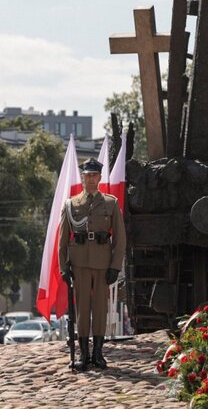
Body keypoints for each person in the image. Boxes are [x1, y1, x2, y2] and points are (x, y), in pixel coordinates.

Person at [58, 157, 126, 371]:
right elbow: (62, 240)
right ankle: (83, 354)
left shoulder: (110, 203)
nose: (91, 179)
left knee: (100, 309)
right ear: (83, 177)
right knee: (82, 309)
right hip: (79, 263)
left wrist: (115, 266)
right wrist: (63, 267)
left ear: (99, 177)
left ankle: (98, 353)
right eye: (87, 175)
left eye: (94, 175)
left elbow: (120, 238)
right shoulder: (71, 204)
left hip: (102, 261)